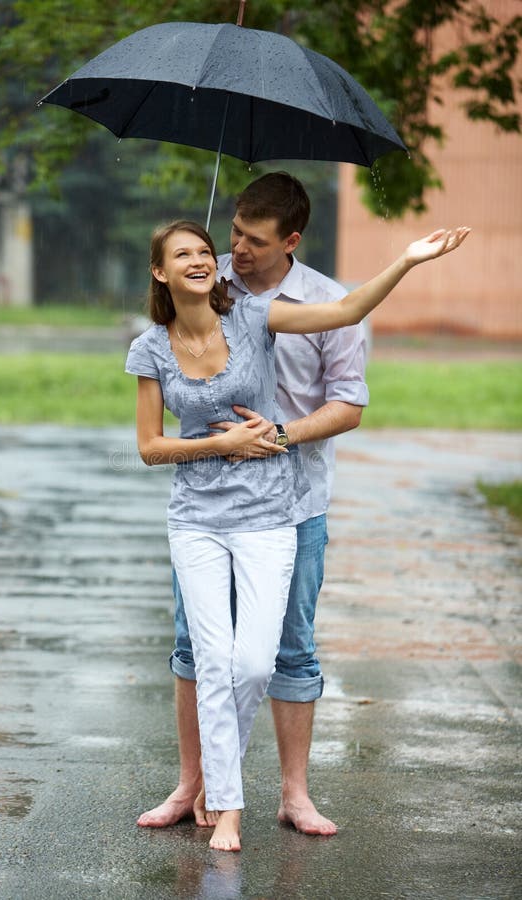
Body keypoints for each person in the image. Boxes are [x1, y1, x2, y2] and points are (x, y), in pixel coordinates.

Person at [125, 217, 469, 852]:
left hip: (269, 515)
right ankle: (226, 807)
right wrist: (224, 442)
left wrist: (409, 260)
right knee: (210, 660)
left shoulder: (256, 318)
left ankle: (222, 780)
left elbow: (345, 309)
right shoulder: (151, 347)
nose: (204, 259)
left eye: (206, 250)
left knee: (254, 664)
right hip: (196, 521)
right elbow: (148, 447)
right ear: (160, 272)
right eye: (185, 254)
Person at [137, 173, 369, 840]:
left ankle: (294, 794)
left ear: (290, 241)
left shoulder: (324, 302)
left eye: (254, 240)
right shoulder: (215, 294)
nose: (236, 248)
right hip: (210, 508)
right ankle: (194, 784)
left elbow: (349, 403)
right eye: (233, 232)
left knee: (287, 650)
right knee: (195, 647)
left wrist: (277, 436)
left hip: (296, 501)